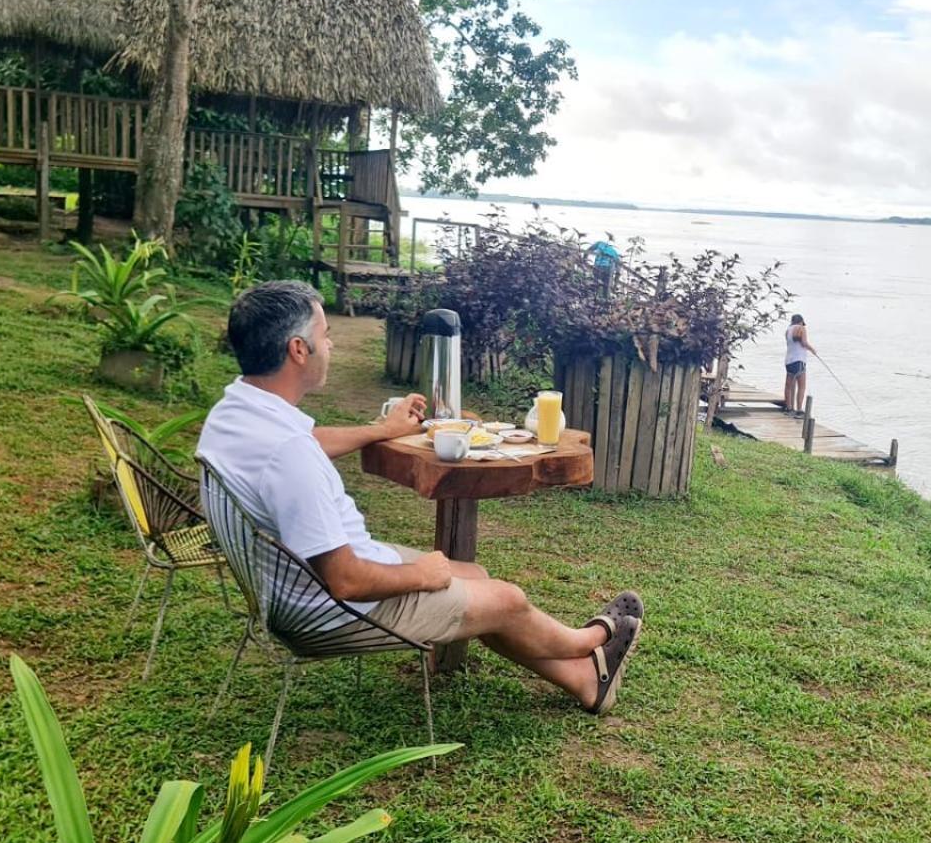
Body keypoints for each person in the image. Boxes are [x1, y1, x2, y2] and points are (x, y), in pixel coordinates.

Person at [197, 280, 642, 714]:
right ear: (298, 350)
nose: (330, 345)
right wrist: (422, 574)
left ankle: (585, 682)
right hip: (333, 612)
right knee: (505, 598)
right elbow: (347, 581)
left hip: (288, 592)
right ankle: (590, 642)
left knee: (476, 573)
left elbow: (310, 438)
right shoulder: (288, 455)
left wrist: (383, 431)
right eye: (325, 336)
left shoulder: (237, 411)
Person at [783, 313, 817, 416]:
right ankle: (799, 410)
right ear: (801, 321)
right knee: (801, 386)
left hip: (788, 361)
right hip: (799, 360)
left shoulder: (788, 330)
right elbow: (804, 343)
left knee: (788, 385)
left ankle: (789, 408)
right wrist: (812, 350)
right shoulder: (801, 328)